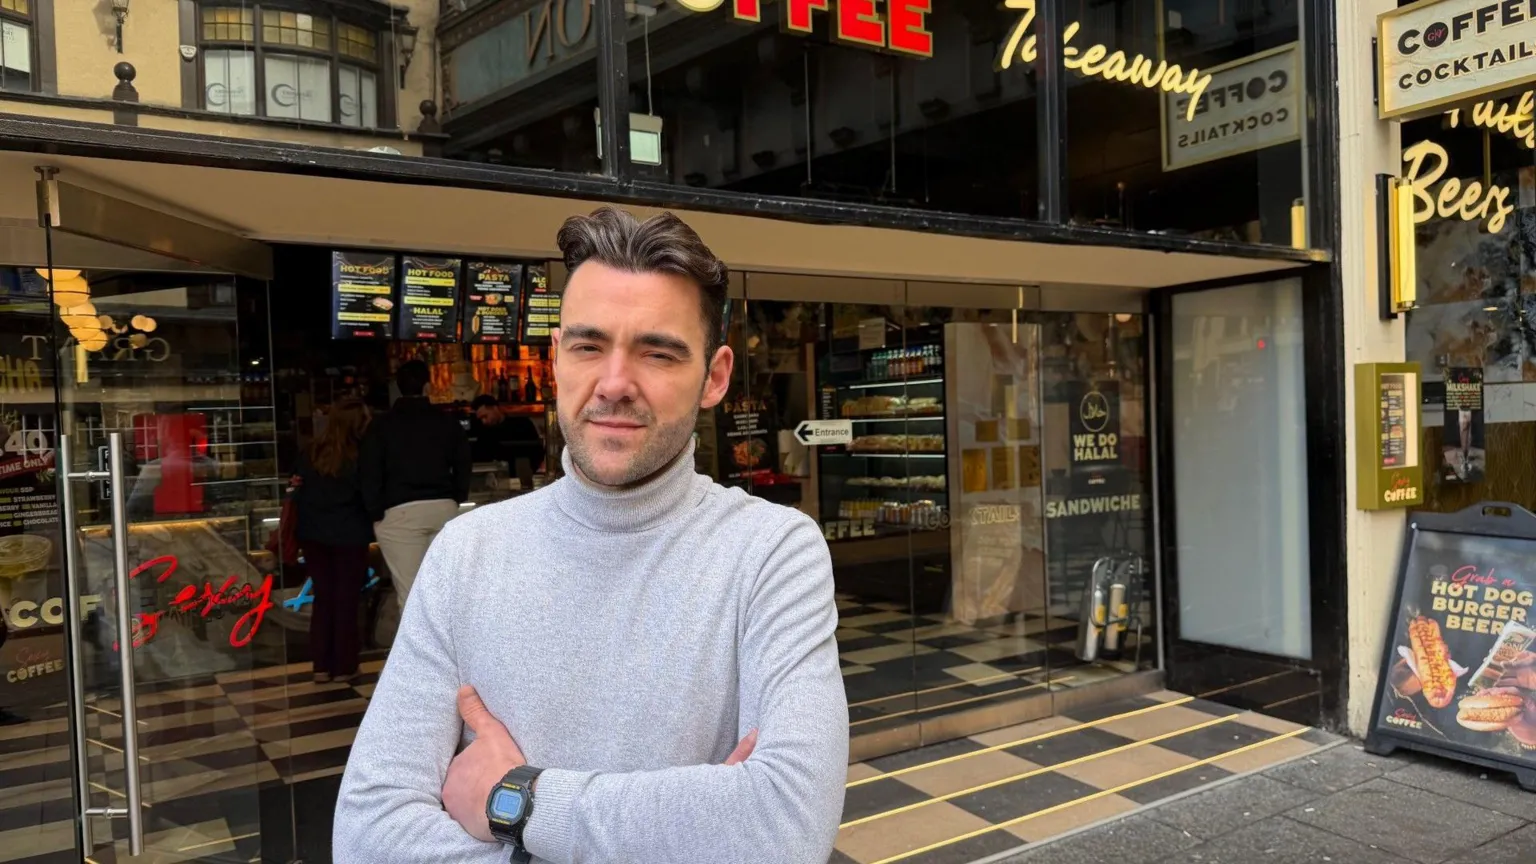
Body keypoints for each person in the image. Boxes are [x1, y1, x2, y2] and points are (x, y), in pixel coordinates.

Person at [333, 207, 847, 863]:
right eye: (588, 346)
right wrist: (692, 829)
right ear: (556, 358)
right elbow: (367, 836)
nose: (614, 383)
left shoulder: (772, 554)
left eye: (657, 352)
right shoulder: (467, 554)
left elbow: (786, 828)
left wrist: (515, 800)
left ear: (715, 377)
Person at [359, 359, 471, 606]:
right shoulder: (446, 421)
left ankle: (418, 634)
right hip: (443, 508)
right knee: (445, 594)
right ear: (428, 386)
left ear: (397, 387)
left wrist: (375, 511)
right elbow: (463, 462)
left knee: (412, 598)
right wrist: (457, 496)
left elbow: (369, 470)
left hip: (400, 513)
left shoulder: (381, 426)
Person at [294, 397, 373, 684]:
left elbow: (298, 490)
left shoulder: (311, 451)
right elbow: (369, 494)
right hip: (350, 533)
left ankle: (321, 665)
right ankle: (344, 665)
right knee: (346, 600)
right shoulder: (361, 454)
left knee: (324, 598)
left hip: (313, 534)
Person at [470, 394, 546, 476]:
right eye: (481, 419)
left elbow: (537, 452)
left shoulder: (522, 424)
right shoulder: (484, 432)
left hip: (521, 477)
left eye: (485, 416)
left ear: (495, 408)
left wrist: (526, 472)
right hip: (494, 479)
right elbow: (477, 458)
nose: (484, 421)